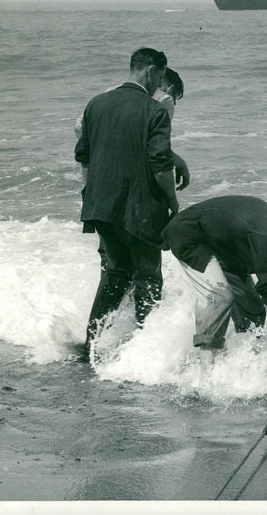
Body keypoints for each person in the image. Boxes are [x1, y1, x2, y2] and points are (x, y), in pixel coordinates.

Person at [75, 47, 179, 351]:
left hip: (100, 206)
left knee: (116, 274)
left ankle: (91, 343)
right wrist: (172, 201)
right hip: (140, 207)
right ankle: (146, 350)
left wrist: (90, 195)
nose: (159, 85)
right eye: (159, 77)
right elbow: (160, 165)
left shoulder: (96, 104)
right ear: (151, 71)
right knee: (148, 276)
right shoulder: (153, 109)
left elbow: (84, 157)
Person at [162, 196, 267, 374]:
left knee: (253, 310)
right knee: (221, 297)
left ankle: (239, 363)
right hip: (189, 235)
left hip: (225, 247)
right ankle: (205, 374)